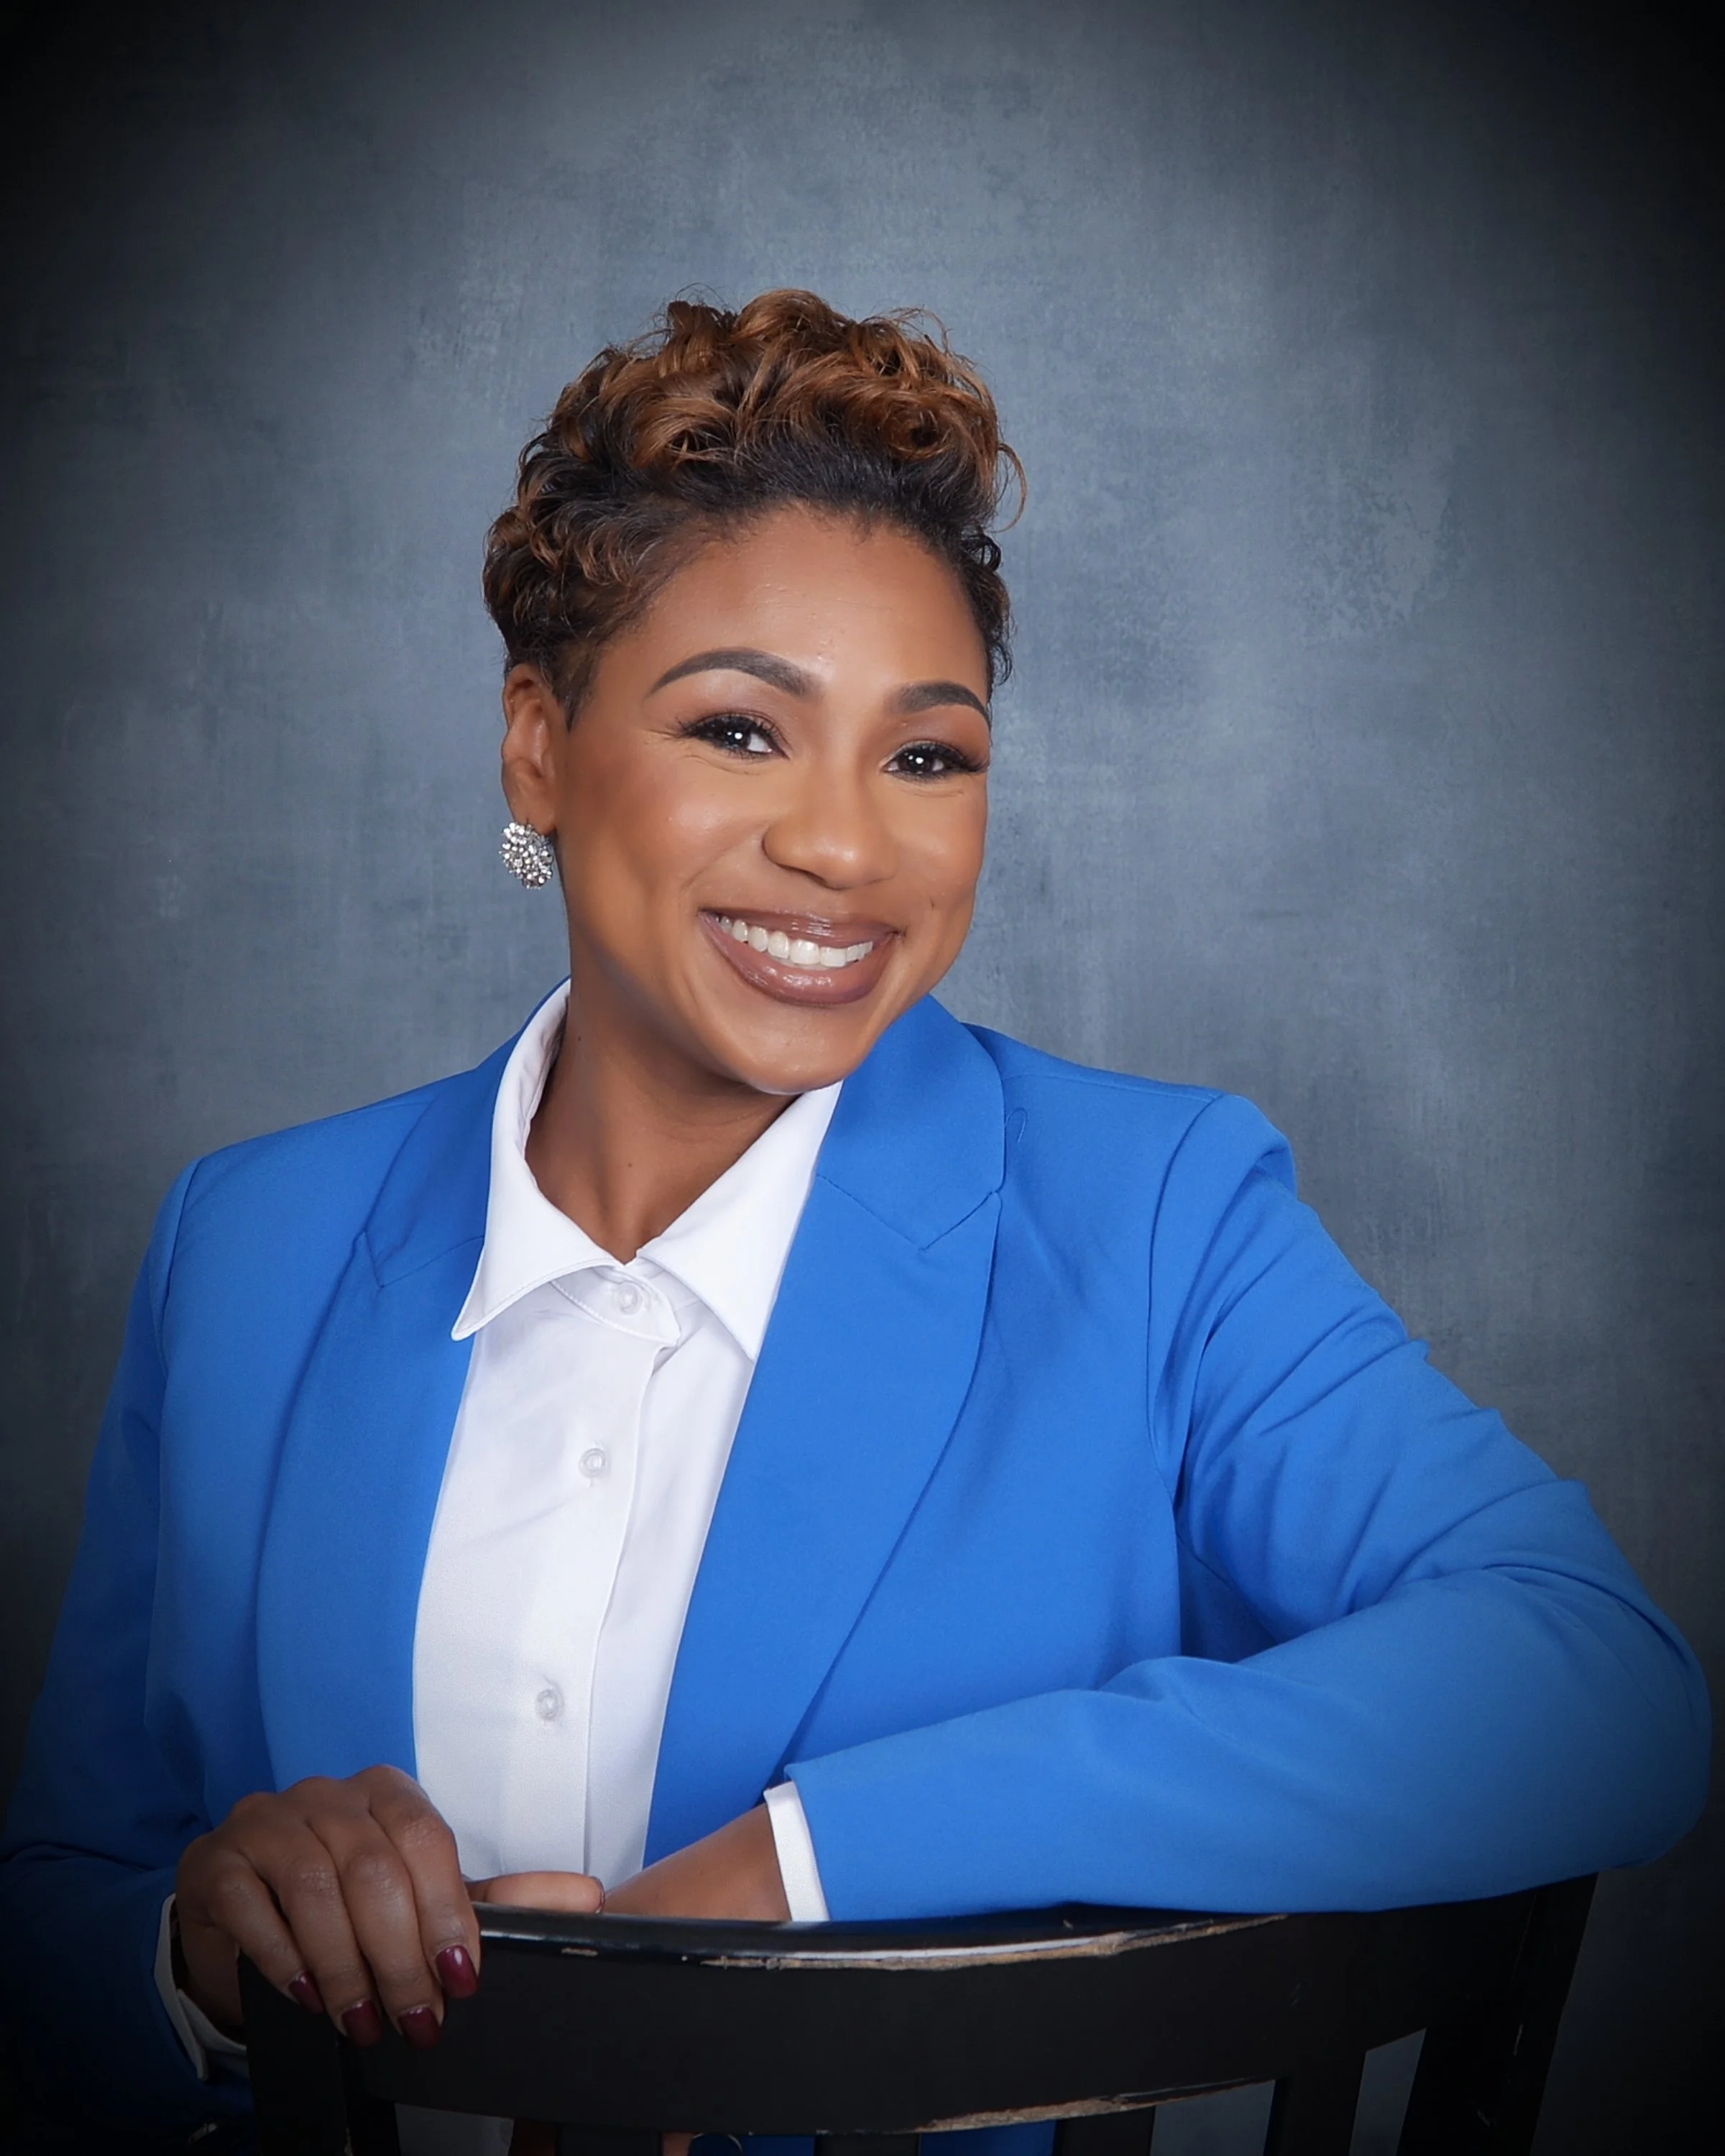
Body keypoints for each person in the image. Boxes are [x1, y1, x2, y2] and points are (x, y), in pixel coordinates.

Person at [0, 290, 1708, 2150]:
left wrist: (796, 1870)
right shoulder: (248, 1245)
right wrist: (193, 1955)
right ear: (538, 746)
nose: (844, 847)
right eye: (742, 730)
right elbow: (62, 1906)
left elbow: (1594, 1682)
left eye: (927, 756)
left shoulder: (1155, 1221)